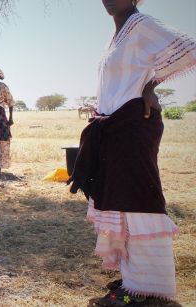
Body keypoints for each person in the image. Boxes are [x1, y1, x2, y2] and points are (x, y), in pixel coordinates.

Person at [69, 1, 196, 306]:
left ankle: (151, 288)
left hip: (134, 125)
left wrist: (152, 86)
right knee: (120, 201)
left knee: (139, 199)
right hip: (114, 129)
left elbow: (190, 49)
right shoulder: (119, 34)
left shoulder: (141, 25)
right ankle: (133, 281)